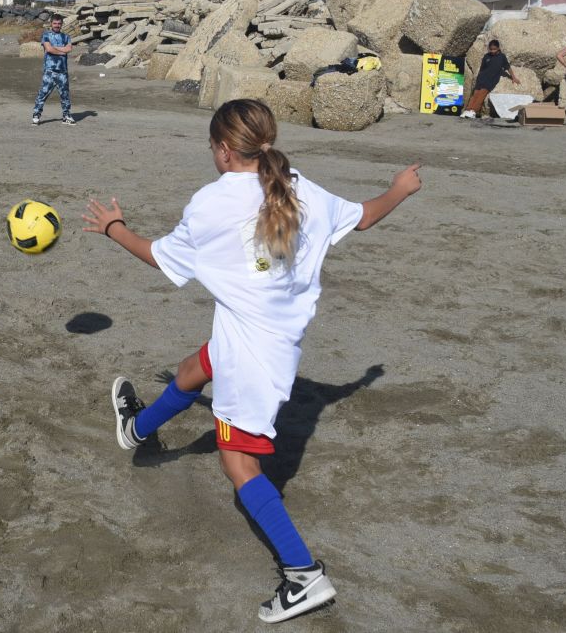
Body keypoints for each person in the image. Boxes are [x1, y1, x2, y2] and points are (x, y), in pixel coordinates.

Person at [82, 98, 422, 623]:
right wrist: (399, 188)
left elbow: (159, 257)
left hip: (253, 353)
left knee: (239, 463)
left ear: (223, 150)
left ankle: (303, 575)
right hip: (267, 334)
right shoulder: (299, 185)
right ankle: (138, 429)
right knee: (195, 368)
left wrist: (114, 227)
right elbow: (365, 217)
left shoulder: (212, 203)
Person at [31, 14, 76, 126]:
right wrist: (61, 51)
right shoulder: (46, 35)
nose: (57, 25)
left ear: (62, 24)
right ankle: (36, 115)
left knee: (65, 95)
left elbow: (69, 49)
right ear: (51, 24)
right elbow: (49, 49)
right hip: (50, 71)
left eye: (59, 23)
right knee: (43, 94)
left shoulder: (66, 37)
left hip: (63, 71)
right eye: (55, 23)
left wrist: (54, 48)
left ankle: (66, 116)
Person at [461, 39, 520, 119]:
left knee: (481, 95)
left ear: (498, 48)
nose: (492, 51)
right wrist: (478, 78)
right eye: (491, 49)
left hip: (491, 80)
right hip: (482, 79)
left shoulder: (502, 57)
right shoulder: (486, 56)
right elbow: (482, 69)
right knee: (475, 94)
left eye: (494, 49)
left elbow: (508, 67)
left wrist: (513, 77)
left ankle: (473, 111)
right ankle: (468, 110)